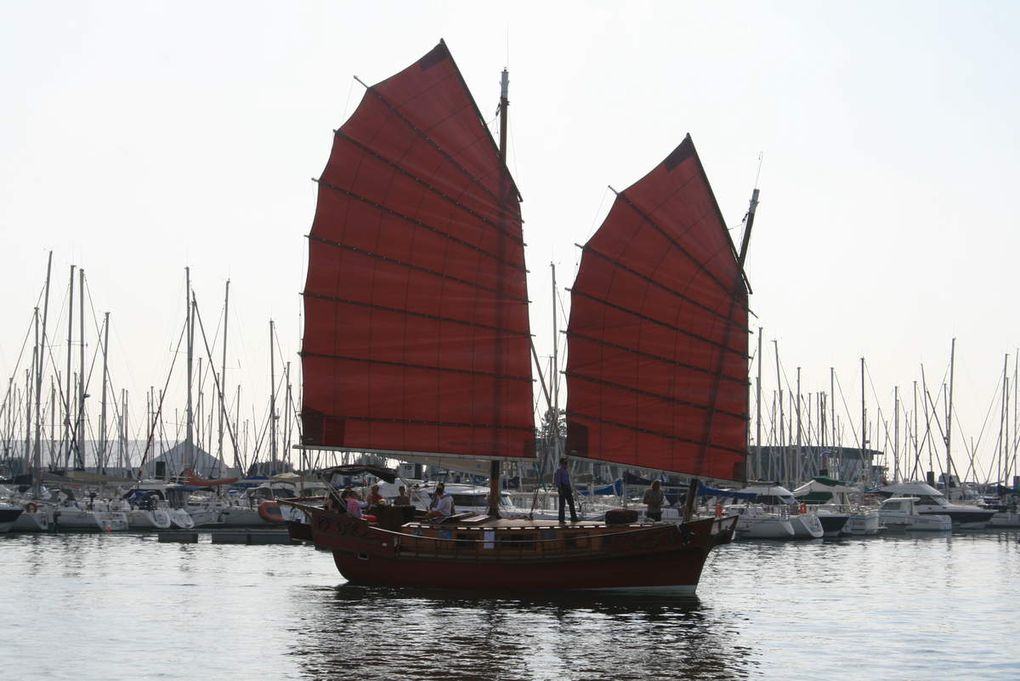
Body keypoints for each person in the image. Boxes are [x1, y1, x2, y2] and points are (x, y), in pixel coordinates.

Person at [554, 458, 578, 523]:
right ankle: (561, 519)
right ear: (562, 464)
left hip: (567, 488)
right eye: (565, 463)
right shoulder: (559, 471)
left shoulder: (566, 471)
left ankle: (574, 518)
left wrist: (570, 488)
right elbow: (557, 481)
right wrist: (560, 489)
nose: (566, 465)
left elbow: (567, 481)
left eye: (566, 463)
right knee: (562, 505)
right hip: (562, 488)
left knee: (571, 503)